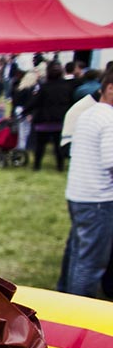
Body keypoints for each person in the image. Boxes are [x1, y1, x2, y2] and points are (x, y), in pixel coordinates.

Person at [58, 69, 113, 298]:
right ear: (110, 88)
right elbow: (110, 162)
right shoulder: (108, 118)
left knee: (78, 256)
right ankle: (78, 313)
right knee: (90, 264)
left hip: (79, 195)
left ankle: (67, 302)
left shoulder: (88, 113)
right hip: (97, 200)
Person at [27, 61, 75, 172]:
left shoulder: (44, 87)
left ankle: (37, 166)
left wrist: (25, 111)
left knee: (40, 146)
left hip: (44, 120)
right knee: (58, 146)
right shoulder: (67, 86)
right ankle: (60, 166)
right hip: (60, 120)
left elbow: (35, 102)